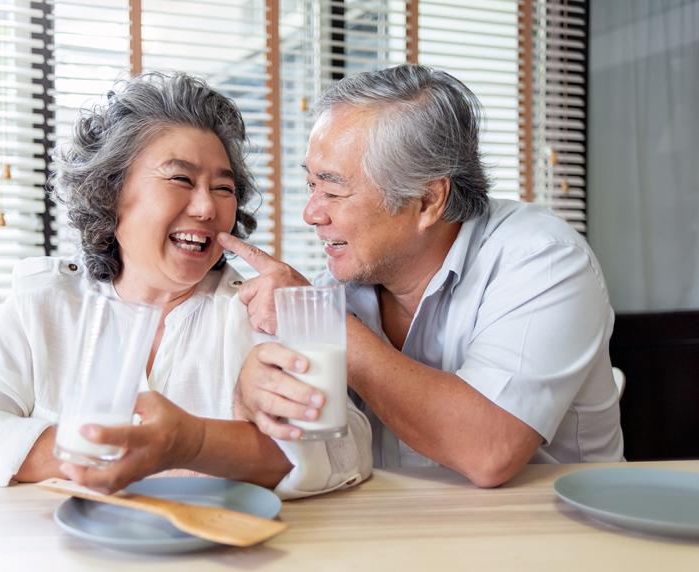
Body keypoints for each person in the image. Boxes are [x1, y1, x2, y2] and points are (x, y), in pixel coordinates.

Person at [0, 72, 372, 498]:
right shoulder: (44, 303)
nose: (205, 208)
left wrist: (191, 445)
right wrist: (125, 450)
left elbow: (344, 450)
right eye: (180, 178)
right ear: (110, 191)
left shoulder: (260, 311)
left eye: (223, 188)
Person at [220, 64, 623, 488]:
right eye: (311, 186)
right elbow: (305, 455)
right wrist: (252, 399)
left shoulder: (543, 259)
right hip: (401, 535)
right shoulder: (337, 288)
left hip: (558, 536)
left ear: (428, 200)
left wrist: (328, 326)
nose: (311, 213)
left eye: (334, 191)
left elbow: (488, 450)